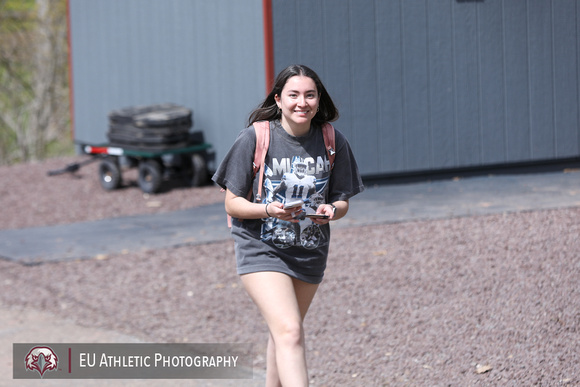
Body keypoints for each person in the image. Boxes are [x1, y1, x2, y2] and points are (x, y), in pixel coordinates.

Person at [212, 64, 364, 386]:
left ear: (318, 99)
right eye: (293, 95)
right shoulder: (256, 137)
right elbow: (231, 202)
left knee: (282, 332)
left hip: (309, 249)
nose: (302, 102)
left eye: (310, 95)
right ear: (278, 99)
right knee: (291, 330)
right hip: (261, 247)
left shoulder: (332, 139)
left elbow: (342, 201)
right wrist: (269, 209)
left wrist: (331, 211)